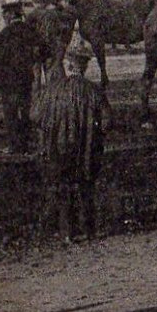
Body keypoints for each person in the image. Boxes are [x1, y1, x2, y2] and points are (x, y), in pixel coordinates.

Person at [34, 37, 112, 241]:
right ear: (85, 66)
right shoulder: (95, 91)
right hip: (86, 149)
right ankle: (89, 230)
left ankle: (66, 233)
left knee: (62, 188)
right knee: (86, 187)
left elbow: (36, 117)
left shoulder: (52, 90)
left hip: (58, 147)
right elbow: (106, 122)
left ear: (68, 64)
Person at [0, 0, 47, 154]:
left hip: (9, 81)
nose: (4, 16)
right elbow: (43, 50)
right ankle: (25, 144)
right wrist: (31, 60)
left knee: (10, 114)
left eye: (5, 13)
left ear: (10, 14)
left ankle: (15, 146)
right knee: (25, 112)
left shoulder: (6, 33)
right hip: (26, 79)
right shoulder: (30, 30)